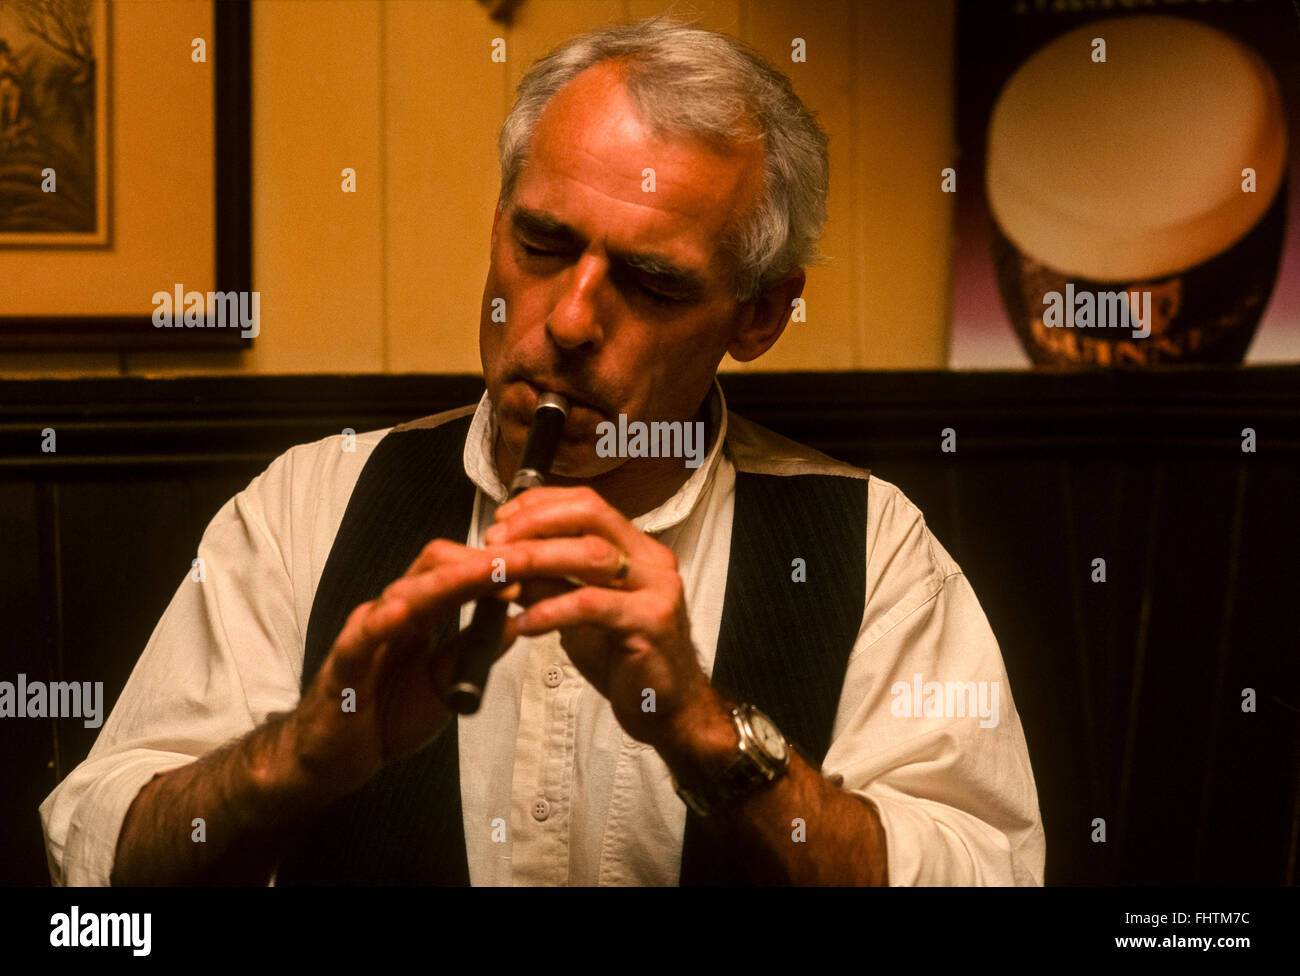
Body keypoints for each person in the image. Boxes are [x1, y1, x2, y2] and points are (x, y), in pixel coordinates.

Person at [40, 18, 1044, 886]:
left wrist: (704, 729)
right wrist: (294, 758)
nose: (568, 321)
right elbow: (90, 863)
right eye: (543, 244)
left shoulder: (871, 544)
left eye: (650, 285)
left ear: (761, 316)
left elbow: (986, 871)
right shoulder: (310, 506)